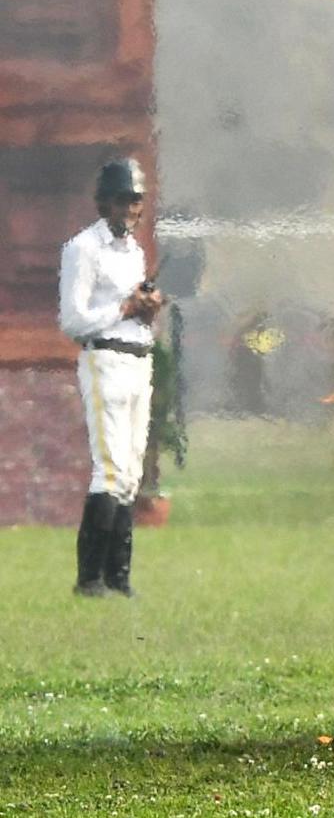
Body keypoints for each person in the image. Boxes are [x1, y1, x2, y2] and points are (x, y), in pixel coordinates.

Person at [58, 157, 162, 598]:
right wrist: (124, 308)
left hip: (139, 359)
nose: (130, 210)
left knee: (132, 472)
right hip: (105, 362)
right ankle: (89, 579)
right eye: (122, 200)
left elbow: (133, 313)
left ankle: (118, 577)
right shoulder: (83, 248)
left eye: (135, 201)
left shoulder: (134, 252)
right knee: (110, 468)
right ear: (104, 203)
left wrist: (147, 309)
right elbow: (73, 320)